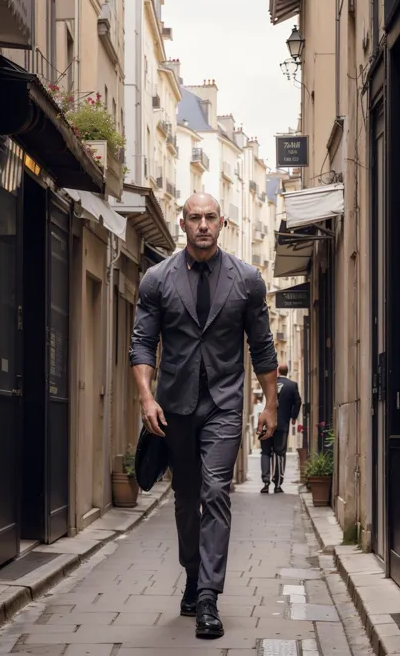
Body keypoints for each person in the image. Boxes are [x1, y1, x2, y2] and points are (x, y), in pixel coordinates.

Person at [129, 193, 278, 640]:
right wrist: (146, 398)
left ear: (223, 223)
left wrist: (270, 403)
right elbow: (141, 344)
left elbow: (263, 345)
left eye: (211, 217)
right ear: (182, 222)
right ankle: (192, 575)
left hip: (224, 402)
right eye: (195, 218)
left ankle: (209, 596)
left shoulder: (247, 280)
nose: (203, 225)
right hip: (174, 406)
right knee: (186, 495)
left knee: (216, 490)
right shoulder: (157, 279)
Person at [260, 363, 301, 494]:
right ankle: (277, 484)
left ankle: (265, 482)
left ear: (278, 371)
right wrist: (293, 416)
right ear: (287, 372)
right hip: (282, 425)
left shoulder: (269, 384)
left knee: (265, 452)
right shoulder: (292, 385)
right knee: (279, 453)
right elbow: (298, 402)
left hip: (267, 423)